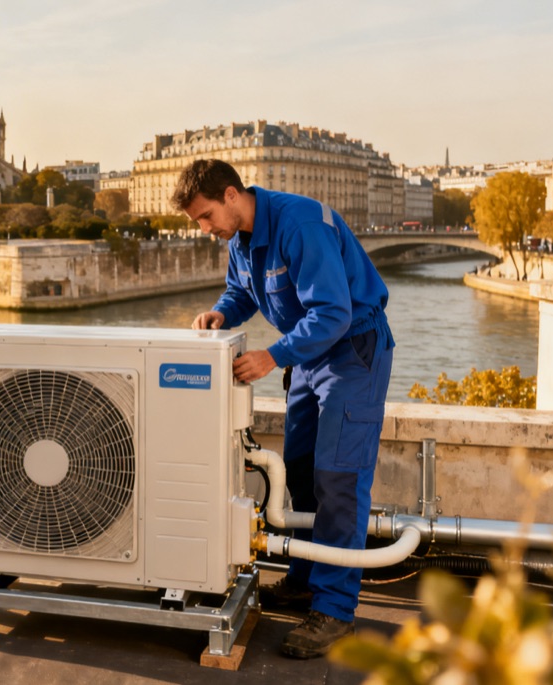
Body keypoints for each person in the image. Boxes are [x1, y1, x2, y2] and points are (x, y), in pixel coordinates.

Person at [172, 160, 394, 659]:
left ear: (231, 195)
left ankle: (335, 611)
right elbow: (241, 291)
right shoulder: (241, 239)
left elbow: (334, 312)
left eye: (205, 217)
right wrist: (221, 312)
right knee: (297, 470)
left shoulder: (299, 225)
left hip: (351, 353)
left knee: (338, 478)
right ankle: (306, 578)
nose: (205, 230)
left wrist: (273, 356)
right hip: (309, 355)